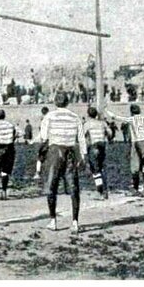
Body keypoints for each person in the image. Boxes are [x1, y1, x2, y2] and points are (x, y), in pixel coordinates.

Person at [39, 92, 85, 233]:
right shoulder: (75, 117)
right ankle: (75, 222)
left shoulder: (49, 116)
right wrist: (82, 156)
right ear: (67, 102)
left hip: (55, 151)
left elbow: (43, 137)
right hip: (70, 151)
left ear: (55, 102)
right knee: (73, 187)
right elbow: (81, 139)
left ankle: (53, 220)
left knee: (51, 186)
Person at [105, 104, 144, 197]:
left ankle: (135, 189)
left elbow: (116, 117)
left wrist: (106, 110)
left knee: (135, 167)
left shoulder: (132, 119)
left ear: (131, 112)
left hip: (136, 143)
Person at [83, 106, 109, 199]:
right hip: (102, 145)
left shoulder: (87, 124)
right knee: (101, 168)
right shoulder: (102, 123)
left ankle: (99, 192)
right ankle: (105, 191)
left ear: (88, 115)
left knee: (95, 170)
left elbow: (82, 135)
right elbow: (110, 133)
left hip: (94, 146)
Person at [33, 106, 50, 180]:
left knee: (40, 157)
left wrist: (34, 140)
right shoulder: (50, 119)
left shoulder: (43, 121)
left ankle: (37, 173)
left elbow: (42, 133)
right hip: (51, 141)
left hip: (45, 141)